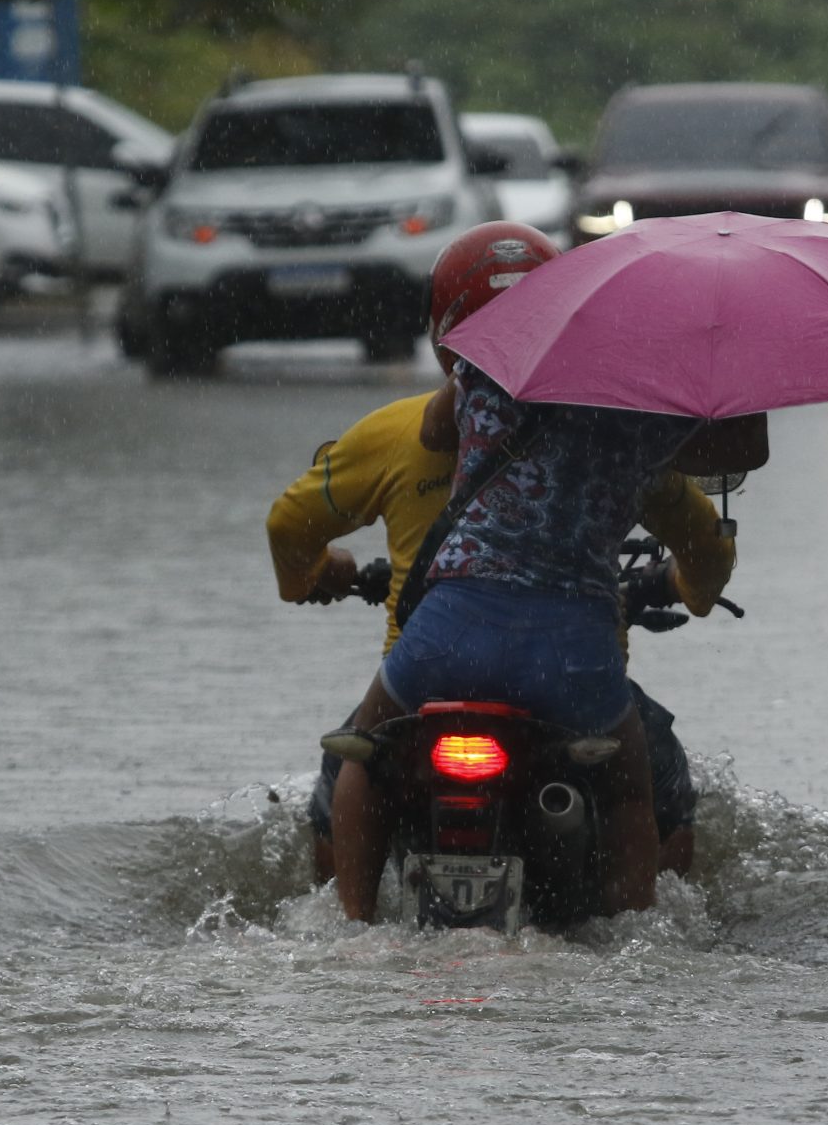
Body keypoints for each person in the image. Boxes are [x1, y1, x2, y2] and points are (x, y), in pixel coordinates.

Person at [264, 223, 738, 885]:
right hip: (573, 669)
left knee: (351, 770)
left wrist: (313, 577)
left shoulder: (418, 422)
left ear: (443, 332)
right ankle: (646, 930)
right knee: (654, 790)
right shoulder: (621, 433)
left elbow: (288, 525)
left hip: (438, 659)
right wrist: (688, 588)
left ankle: (346, 921)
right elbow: (708, 547)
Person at [327, 296, 767, 922]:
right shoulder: (647, 413)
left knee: (365, 754)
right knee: (625, 794)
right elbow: (741, 453)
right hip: (571, 651)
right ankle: (629, 931)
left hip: (449, 630)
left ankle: (353, 924)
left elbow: (431, 432)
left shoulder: (492, 366)